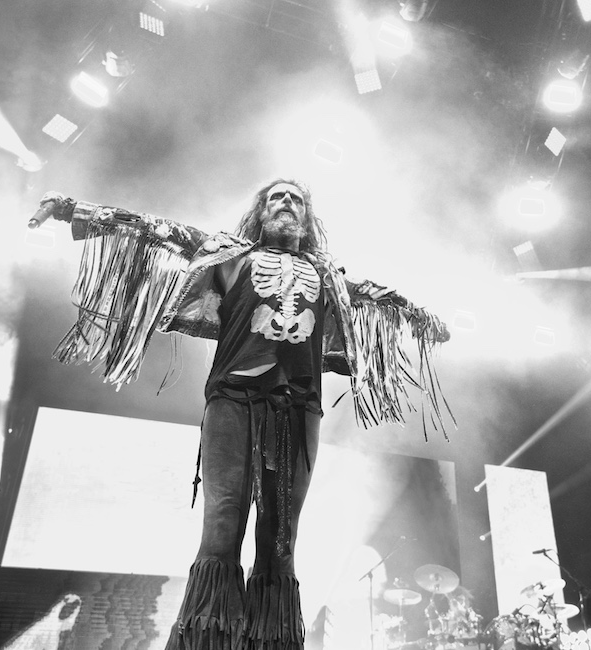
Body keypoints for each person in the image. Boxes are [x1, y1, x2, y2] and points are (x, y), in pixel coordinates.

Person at [34, 179, 452, 650]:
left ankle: (273, 643)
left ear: (307, 217)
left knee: (281, 539)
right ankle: (205, 641)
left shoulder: (329, 275)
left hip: (298, 407)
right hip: (234, 399)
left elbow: (378, 299)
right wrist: (74, 210)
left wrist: (419, 319)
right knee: (222, 525)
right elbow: (158, 231)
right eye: (277, 197)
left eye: (296, 198)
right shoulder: (229, 256)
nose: (287, 203)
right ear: (261, 212)